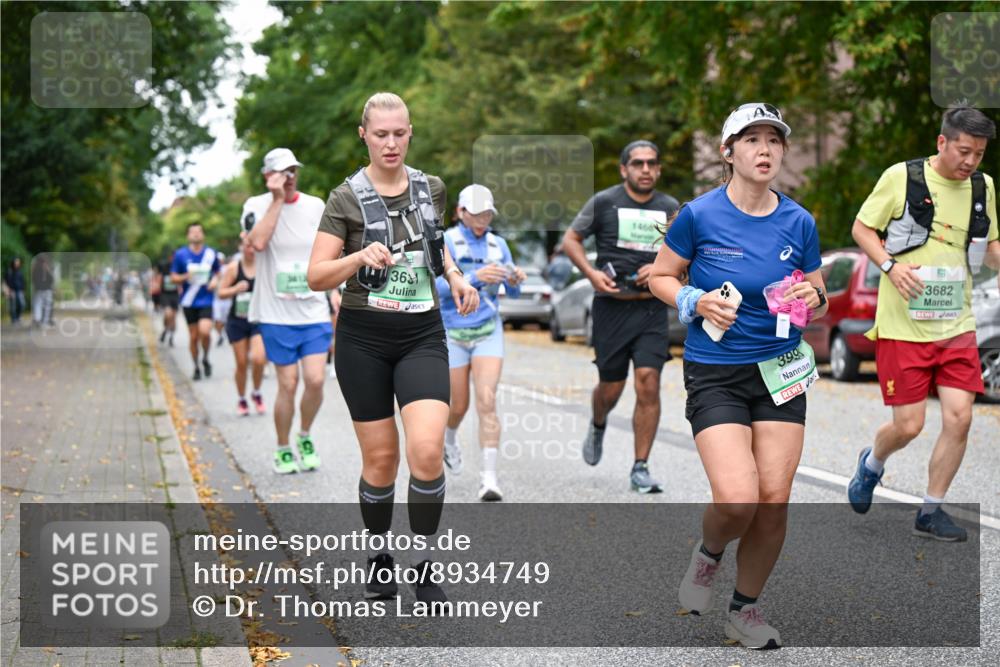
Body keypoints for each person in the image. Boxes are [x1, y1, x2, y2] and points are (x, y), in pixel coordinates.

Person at [649, 102, 828, 649]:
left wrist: (811, 296)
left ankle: (744, 611)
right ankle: (708, 555)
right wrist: (694, 300)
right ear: (729, 153)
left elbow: (817, 296)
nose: (765, 149)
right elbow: (659, 276)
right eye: (751, 139)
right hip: (717, 371)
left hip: (780, 370)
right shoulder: (699, 216)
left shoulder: (799, 221)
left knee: (773, 498)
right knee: (736, 499)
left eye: (773, 139)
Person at [307, 92, 478, 604]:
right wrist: (358, 256)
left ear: (410, 132)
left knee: (426, 451)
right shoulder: (345, 198)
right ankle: (379, 555)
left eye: (399, 133)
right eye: (380, 134)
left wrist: (455, 275)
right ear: (364, 135)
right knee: (381, 460)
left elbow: (435, 244)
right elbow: (316, 276)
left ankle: (425, 561)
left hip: (422, 333)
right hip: (363, 337)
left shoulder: (432, 188)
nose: (391, 143)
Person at [846, 107, 999, 541]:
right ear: (942, 143)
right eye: (964, 151)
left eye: (980, 154)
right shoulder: (902, 177)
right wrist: (891, 267)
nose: (970, 162)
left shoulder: (982, 187)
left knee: (960, 418)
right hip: (903, 327)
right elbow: (861, 228)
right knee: (909, 426)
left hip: (957, 323)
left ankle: (930, 512)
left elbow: (990, 247)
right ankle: (871, 463)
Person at [561, 139, 680, 493]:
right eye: (638, 163)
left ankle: (640, 466)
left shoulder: (670, 207)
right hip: (611, 307)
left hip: (650, 308)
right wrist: (591, 274)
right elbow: (571, 240)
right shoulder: (605, 202)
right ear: (624, 169)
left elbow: (685, 253)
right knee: (611, 388)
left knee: (648, 382)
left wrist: (661, 269)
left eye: (652, 164)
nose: (645, 169)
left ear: (658, 169)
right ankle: (598, 422)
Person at [243, 147, 330, 474]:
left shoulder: (315, 205)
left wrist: (333, 292)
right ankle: (282, 447)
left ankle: (304, 435)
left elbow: (328, 251)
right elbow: (258, 243)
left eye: (293, 171)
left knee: (316, 379)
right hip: (276, 313)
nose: (290, 177)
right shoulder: (255, 206)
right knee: (289, 384)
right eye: (282, 172)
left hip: (313, 310)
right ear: (268, 176)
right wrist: (277, 199)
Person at [438, 184, 527, 501]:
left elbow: (512, 292)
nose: (482, 219)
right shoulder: (447, 240)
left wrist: (514, 279)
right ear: (461, 212)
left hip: (488, 329)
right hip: (452, 330)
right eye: (476, 213)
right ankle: (449, 437)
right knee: (457, 404)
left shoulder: (498, 243)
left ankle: (489, 479)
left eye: (487, 213)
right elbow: (436, 288)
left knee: (487, 402)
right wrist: (475, 278)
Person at [216, 236, 267, 416]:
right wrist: (235, 289)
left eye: (254, 246)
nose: (251, 250)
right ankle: (242, 398)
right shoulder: (233, 268)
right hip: (237, 321)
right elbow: (220, 292)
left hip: (258, 320)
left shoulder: (264, 266)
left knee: (259, 358)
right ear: (241, 247)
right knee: (242, 363)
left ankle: (257, 392)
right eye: (247, 246)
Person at [170, 223, 221, 380]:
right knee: (193, 337)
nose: (196, 234)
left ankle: (205, 357)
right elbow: (173, 277)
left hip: (206, 299)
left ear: (203, 234)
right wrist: (186, 276)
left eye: (199, 231)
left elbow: (218, 272)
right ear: (188, 235)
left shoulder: (211, 254)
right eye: (193, 232)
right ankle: (196, 366)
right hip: (188, 301)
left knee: (205, 331)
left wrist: (215, 281)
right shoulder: (180, 255)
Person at [158, 253, 180, 346]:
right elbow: (159, 277)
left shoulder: (180, 267)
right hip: (165, 294)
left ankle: (171, 336)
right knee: (168, 314)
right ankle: (165, 329)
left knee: (173, 317)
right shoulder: (165, 266)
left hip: (175, 295)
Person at [212, 252, 232, 347]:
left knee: (227, 320)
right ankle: (220, 335)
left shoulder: (228, 269)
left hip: (228, 299)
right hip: (216, 299)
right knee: (217, 320)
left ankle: (226, 333)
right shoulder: (212, 271)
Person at [31, 254, 54, 327]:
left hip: (45, 290)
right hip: (43, 290)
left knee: (42, 305)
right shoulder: (37, 269)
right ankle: (42, 321)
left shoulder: (37, 269)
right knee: (44, 306)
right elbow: (51, 280)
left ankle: (41, 320)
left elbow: (51, 280)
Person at [4, 257, 26, 325]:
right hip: (12, 291)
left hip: (19, 290)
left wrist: (23, 289)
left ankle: (18, 317)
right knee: (13, 306)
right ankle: (14, 319)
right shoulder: (9, 271)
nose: (17, 263)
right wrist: (9, 291)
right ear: (13, 262)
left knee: (22, 304)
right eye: (16, 262)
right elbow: (6, 282)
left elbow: (22, 281)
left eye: (18, 262)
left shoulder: (20, 271)